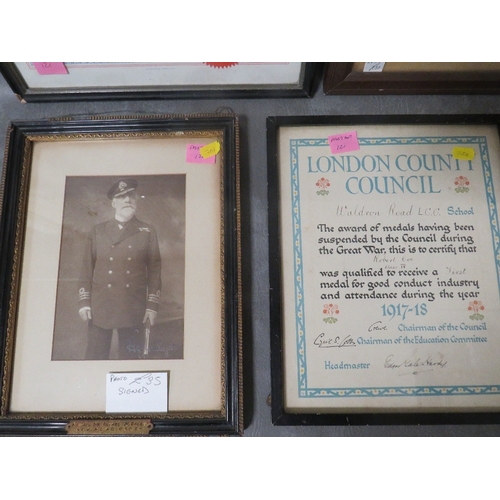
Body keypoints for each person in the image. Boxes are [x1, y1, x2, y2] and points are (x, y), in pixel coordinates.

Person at [78, 178, 162, 359]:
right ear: (113, 203)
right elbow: (86, 268)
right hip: (101, 306)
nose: (127, 200)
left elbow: (155, 270)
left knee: (132, 360)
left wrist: (152, 306)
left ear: (137, 200)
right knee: (94, 358)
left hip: (133, 307)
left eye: (131, 196)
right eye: (122, 196)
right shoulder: (97, 231)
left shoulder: (147, 231)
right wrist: (84, 301)